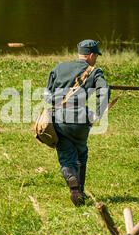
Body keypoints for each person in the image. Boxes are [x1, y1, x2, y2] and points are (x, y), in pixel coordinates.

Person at [44, 39, 111, 206]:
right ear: (90, 55)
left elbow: (47, 95)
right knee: (81, 154)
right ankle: (79, 193)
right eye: (96, 56)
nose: (96, 59)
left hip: (58, 119)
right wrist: (97, 114)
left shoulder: (59, 67)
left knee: (66, 157)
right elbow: (105, 90)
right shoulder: (94, 72)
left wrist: (58, 102)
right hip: (81, 120)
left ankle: (71, 178)